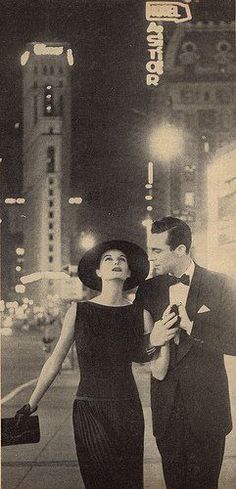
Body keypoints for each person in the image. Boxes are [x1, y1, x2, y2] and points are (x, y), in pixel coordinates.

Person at [15, 240, 174, 489]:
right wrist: (30, 403)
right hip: (89, 411)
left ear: (129, 272)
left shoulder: (140, 315)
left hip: (127, 412)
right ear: (98, 272)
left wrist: (162, 340)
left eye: (122, 260)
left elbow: (159, 371)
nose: (116, 263)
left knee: (129, 484)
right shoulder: (78, 312)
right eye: (108, 259)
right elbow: (55, 361)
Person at [135, 216, 236, 489]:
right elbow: (135, 346)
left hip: (209, 412)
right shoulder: (147, 289)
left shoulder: (221, 283)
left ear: (180, 249)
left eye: (157, 251)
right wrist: (153, 339)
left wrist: (193, 326)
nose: (151, 257)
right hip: (167, 413)